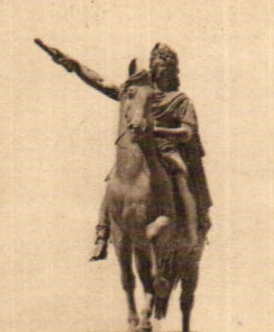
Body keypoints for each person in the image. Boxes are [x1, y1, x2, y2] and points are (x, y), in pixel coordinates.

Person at [40, 41, 211, 260]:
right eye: (157, 66)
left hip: (167, 150)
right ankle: (102, 233)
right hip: (139, 150)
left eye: (165, 68)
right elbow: (102, 82)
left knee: (182, 178)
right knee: (114, 179)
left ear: (172, 72)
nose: (161, 72)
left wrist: (157, 130)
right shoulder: (138, 94)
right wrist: (73, 64)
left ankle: (192, 230)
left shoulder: (181, 101)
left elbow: (187, 132)